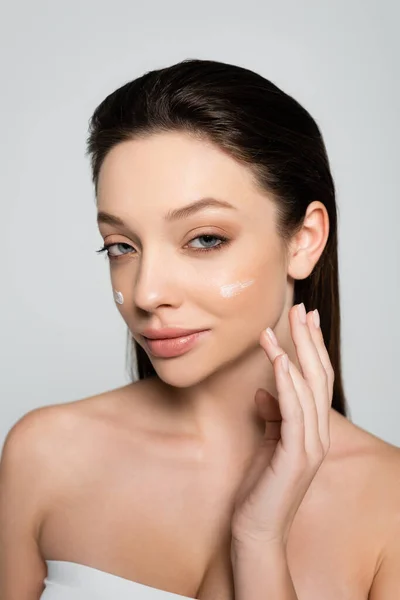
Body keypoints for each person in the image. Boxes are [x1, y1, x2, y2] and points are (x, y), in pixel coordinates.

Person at [1, 58, 399, 600]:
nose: (145, 293)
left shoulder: (389, 503)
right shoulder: (45, 455)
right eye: (121, 246)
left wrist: (258, 540)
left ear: (304, 239)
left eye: (205, 239)